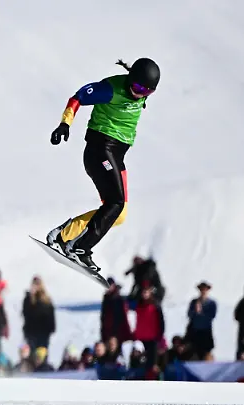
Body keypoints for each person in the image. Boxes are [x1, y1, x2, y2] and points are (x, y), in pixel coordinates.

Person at [46, 58, 161, 272]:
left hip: (117, 155)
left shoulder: (139, 92)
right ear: (130, 80)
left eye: (147, 92)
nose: (139, 94)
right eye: (136, 87)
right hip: (100, 148)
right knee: (115, 202)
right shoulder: (110, 89)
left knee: (119, 213)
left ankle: (64, 236)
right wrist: (65, 123)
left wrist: (142, 89)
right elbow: (78, 97)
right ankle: (80, 248)